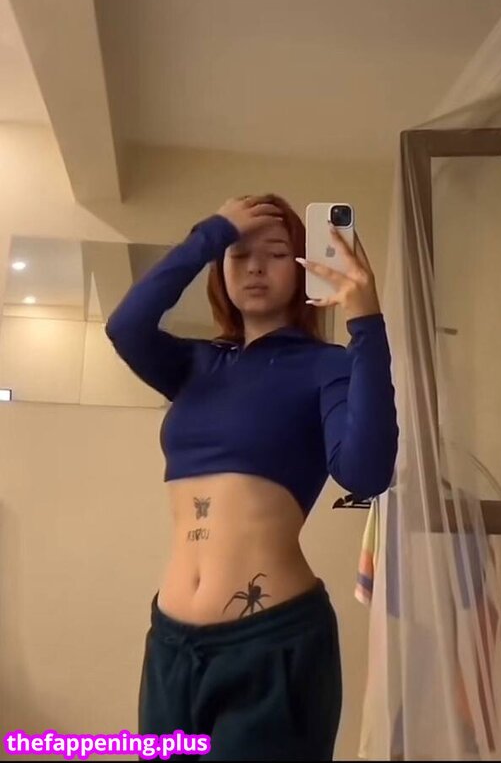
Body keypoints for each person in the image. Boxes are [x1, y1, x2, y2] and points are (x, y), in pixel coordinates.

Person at [105, 194, 398, 761]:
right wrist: (211, 233)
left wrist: (365, 322)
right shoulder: (195, 366)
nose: (255, 267)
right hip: (172, 644)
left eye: (277, 254)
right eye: (238, 255)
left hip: (271, 644)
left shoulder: (327, 366)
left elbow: (366, 471)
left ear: (304, 267)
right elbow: (126, 326)